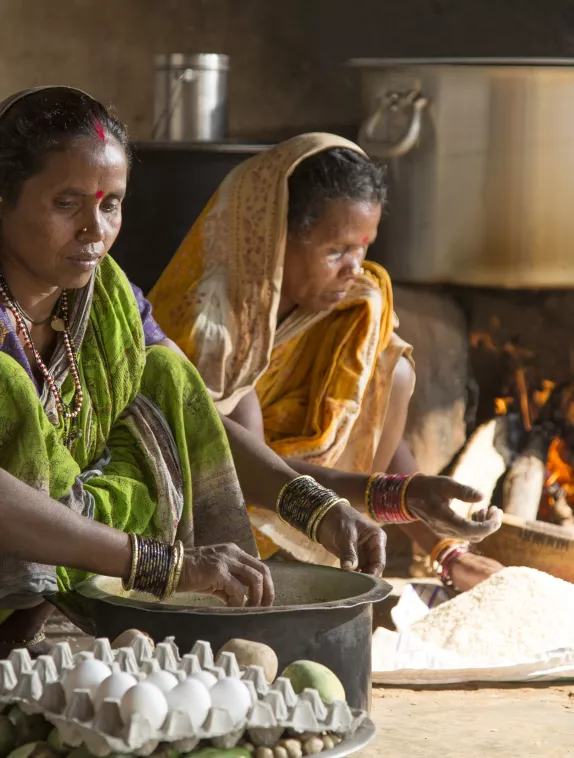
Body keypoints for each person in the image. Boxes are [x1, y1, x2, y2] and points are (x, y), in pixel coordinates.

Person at [0, 88, 392, 654]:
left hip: (76, 578)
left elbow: (192, 418)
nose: (95, 229)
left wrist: (314, 506)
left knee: (165, 372)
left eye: (110, 204)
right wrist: (161, 563)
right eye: (67, 203)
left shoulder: (107, 300)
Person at [149, 133, 504, 591]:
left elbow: (371, 418)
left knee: (392, 370)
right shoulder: (213, 327)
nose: (353, 267)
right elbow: (255, 478)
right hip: (221, 529)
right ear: (273, 236)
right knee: (244, 416)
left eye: (363, 248)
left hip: (325, 507)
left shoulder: (347, 308)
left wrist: (445, 550)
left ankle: (349, 562)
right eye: (335, 251)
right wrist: (398, 496)